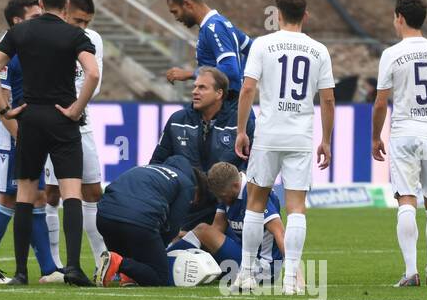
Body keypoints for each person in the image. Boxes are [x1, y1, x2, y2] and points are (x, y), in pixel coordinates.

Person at [0, 0, 100, 286]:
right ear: (65, 4)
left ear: (41, 0)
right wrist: (76, 108)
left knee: (25, 192)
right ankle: (73, 267)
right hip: (63, 119)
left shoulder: (19, 32)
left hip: (31, 117)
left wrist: (5, 108)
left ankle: (22, 272)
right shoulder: (74, 35)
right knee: (71, 192)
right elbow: (93, 72)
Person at [234, 0, 335, 295]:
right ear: (305, 15)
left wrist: (241, 130)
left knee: (255, 202)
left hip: (268, 133)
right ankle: (291, 279)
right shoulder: (319, 50)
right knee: (297, 207)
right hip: (300, 136)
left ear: (277, 14)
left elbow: (248, 89)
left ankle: (247, 275)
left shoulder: (263, 44)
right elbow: (328, 100)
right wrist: (326, 141)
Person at [371, 0, 427, 287]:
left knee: (406, 199)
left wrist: (375, 137)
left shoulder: (391, 54)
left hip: (405, 133)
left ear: (399, 17)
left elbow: (381, 103)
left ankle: (411, 271)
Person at [0, 0, 62, 286]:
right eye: (34, 18)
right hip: (9, 138)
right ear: (16, 21)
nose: (41, 22)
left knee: (35, 197)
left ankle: (49, 269)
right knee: (9, 199)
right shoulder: (8, 50)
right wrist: (21, 139)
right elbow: (4, 104)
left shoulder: (30, 46)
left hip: (29, 136)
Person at [41, 0, 109, 271]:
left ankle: (101, 262)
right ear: (65, 12)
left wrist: (77, 107)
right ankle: (55, 264)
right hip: (51, 123)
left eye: (86, 22)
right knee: (52, 193)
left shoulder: (93, 40)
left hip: (81, 120)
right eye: (77, 20)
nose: (81, 27)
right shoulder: (49, 37)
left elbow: (96, 81)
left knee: (93, 191)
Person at [95, 156, 229, 287]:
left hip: (104, 218)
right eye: (195, 201)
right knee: (160, 276)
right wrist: (160, 249)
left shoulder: (146, 168)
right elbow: (172, 227)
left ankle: (124, 273)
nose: (193, 203)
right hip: (137, 222)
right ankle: (119, 263)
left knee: (133, 258)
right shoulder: (187, 185)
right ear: (197, 189)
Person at [151, 65, 255, 232]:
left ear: (219, 93)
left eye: (202, 87)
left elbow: (250, 167)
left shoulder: (240, 124)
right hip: (187, 206)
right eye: (194, 87)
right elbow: (157, 163)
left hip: (225, 208)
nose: (194, 92)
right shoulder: (177, 120)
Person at [169, 161, 285, 283]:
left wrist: (295, 273)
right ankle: (165, 261)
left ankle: (163, 263)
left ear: (235, 185)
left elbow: (280, 233)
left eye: (223, 196)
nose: (221, 199)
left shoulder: (255, 194)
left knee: (203, 229)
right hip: (245, 259)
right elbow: (216, 231)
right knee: (201, 237)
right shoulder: (229, 194)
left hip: (264, 268)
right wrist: (185, 236)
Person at [163, 0, 251, 98]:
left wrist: (190, 74)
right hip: (224, 103)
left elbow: (230, 68)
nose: (176, 18)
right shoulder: (220, 23)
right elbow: (254, 49)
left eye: (175, 12)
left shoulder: (214, 27)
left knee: (178, 116)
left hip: (225, 106)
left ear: (188, 4)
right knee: (180, 116)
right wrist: (242, 78)